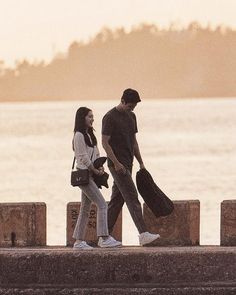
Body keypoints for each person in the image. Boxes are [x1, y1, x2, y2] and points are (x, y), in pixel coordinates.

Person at [102, 89, 160, 246]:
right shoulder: (109, 117)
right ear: (122, 101)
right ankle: (143, 234)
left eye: (134, 106)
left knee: (116, 201)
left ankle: (103, 236)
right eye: (130, 106)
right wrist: (116, 163)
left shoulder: (132, 116)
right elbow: (105, 143)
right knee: (133, 198)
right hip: (117, 165)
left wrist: (141, 162)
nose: (132, 109)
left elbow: (134, 141)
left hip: (129, 163)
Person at [72, 107, 122, 250]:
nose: (92, 119)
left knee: (85, 209)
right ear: (82, 118)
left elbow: (96, 154)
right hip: (84, 175)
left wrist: (100, 167)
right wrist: (93, 169)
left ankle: (78, 242)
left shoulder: (89, 134)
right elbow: (82, 157)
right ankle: (104, 238)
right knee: (102, 204)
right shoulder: (79, 135)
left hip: (92, 174)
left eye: (92, 116)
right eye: (89, 116)